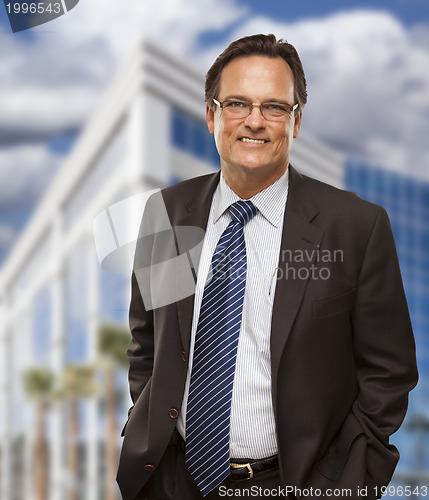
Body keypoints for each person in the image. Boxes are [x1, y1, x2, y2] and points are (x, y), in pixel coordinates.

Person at [116, 34, 418, 500]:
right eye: (237, 103)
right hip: (172, 481)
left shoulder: (356, 227)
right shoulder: (168, 212)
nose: (254, 121)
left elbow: (389, 372)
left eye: (274, 107)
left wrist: (347, 480)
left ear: (295, 123)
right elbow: (147, 342)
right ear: (212, 115)